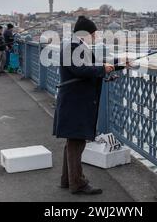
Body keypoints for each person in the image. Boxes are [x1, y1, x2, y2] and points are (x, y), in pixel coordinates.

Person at [53, 16, 126, 195]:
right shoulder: (71, 48)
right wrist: (103, 70)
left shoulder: (76, 46)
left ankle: (67, 179)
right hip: (75, 102)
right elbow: (82, 70)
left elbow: (92, 67)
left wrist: (118, 65)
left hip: (76, 100)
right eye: (93, 33)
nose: (94, 36)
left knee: (73, 140)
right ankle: (78, 183)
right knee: (76, 141)